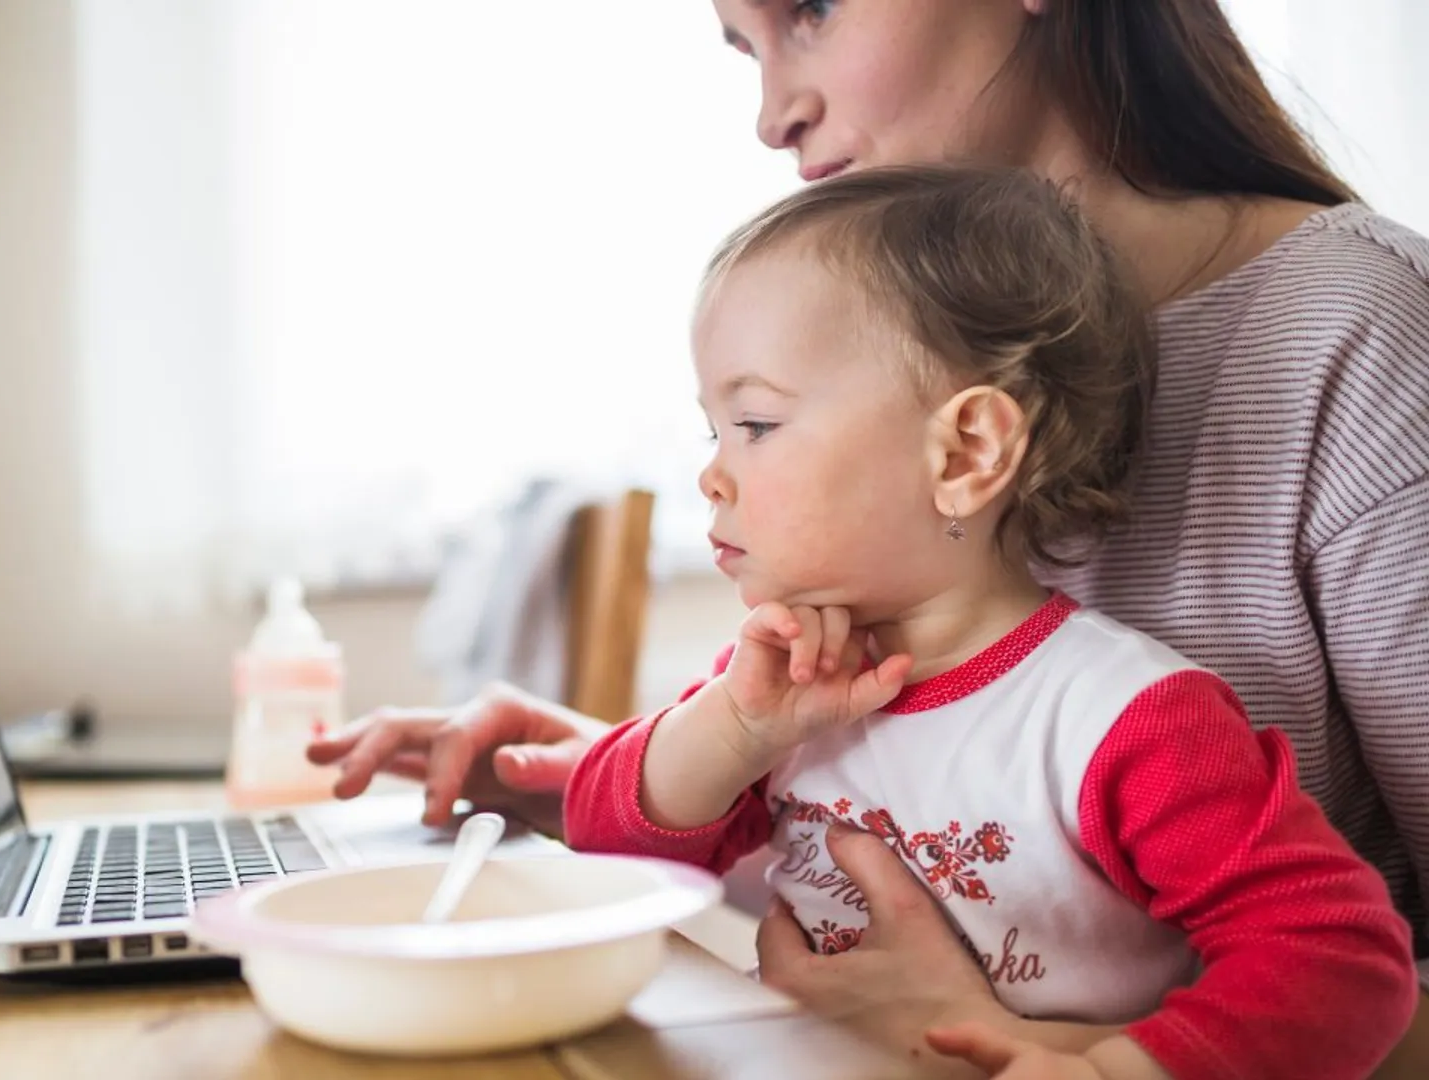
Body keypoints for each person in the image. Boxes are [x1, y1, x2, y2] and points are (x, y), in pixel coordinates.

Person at [307, 0, 1429, 1071]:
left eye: (814, 9)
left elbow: (1327, 957)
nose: (770, 114)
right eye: (743, 48)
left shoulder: (1357, 333)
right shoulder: (887, 461)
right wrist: (622, 764)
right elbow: (934, 831)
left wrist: (1038, 1049)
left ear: (972, 453)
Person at [561, 162, 1417, 1079]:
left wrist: (1113, 1072)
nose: (713, 476)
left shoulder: (1126, 719)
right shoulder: (782, 685)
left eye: (757, 425)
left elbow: (1341, 962)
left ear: (966, 451)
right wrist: (727, 731)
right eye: (713, 432)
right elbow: (602, 851)